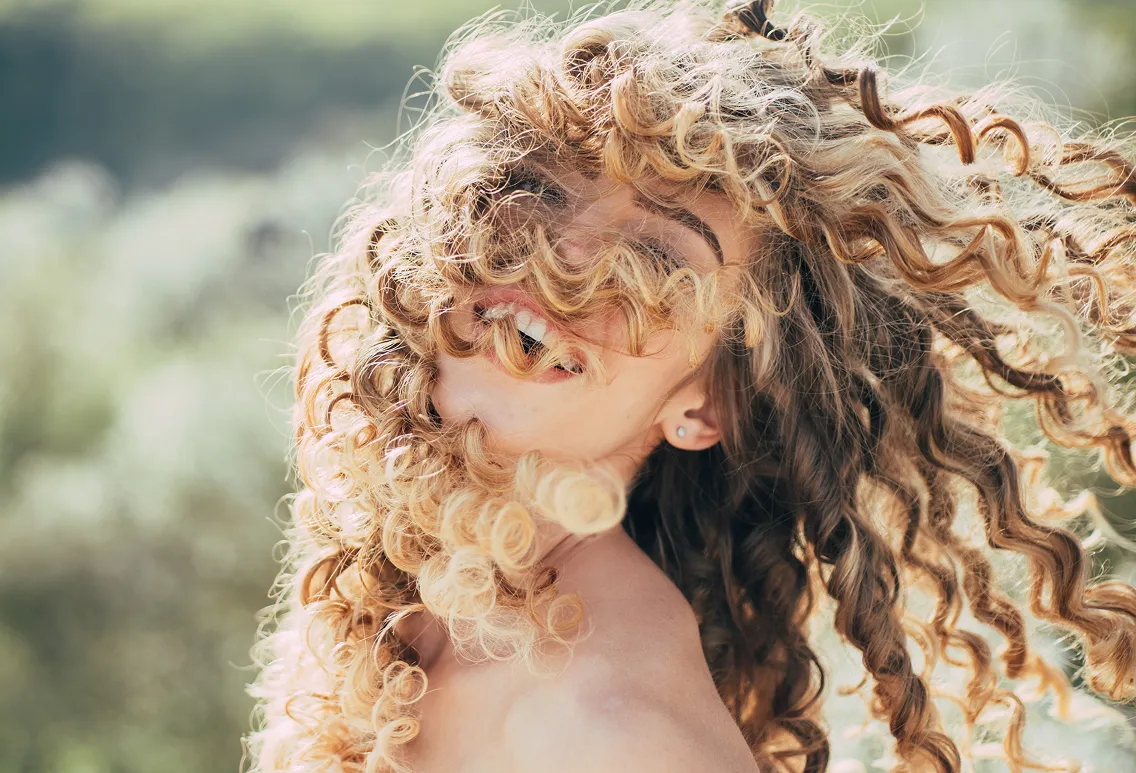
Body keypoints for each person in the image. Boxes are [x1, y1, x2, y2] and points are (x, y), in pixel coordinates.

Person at [243, 1, 1136, 771]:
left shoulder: (613, 722)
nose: (566, 255)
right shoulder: (410, 588)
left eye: (656, 258)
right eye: (542, 188)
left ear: (706, 406)